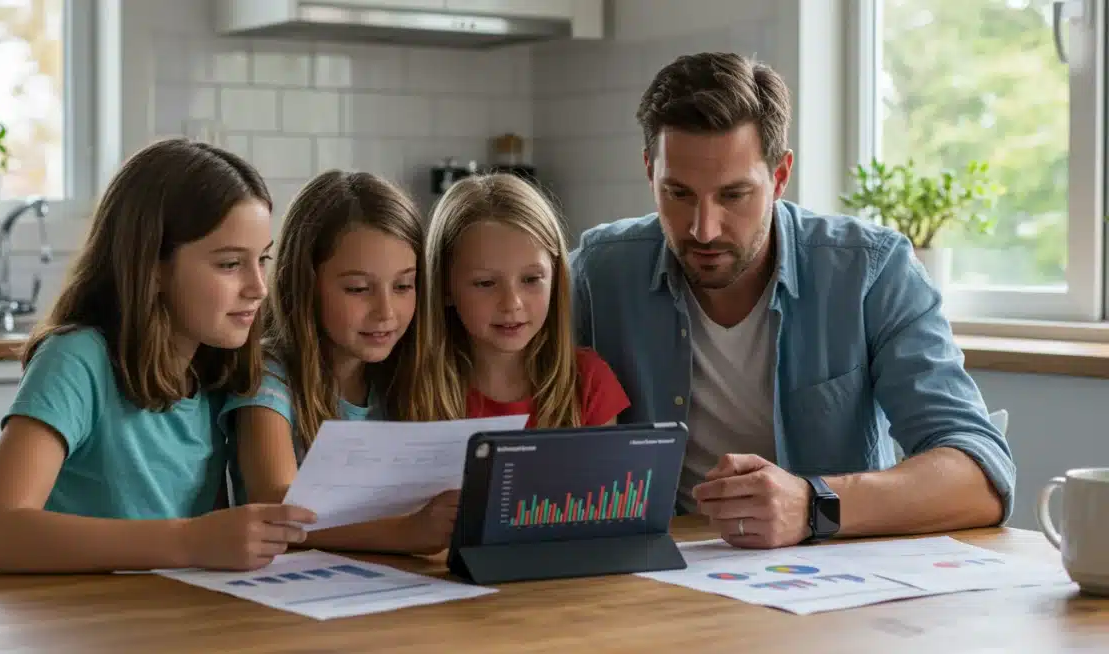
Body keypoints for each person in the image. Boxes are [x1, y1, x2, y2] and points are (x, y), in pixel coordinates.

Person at [568, 52, 1015, 549]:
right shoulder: (597, 274)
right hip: (657, 578)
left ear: (780, 177)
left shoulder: (871, 272)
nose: (704, 228)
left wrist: (813, 504)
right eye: (678, 193)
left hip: (827, 587)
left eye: (734, 195)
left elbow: (983, 476)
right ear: (650, 171)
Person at [0, 138, 317, 575]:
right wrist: (191, 540)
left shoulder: (213, 369)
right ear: (151, 266)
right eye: (229, 264)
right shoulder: (77, 360)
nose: (258, 287)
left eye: (262, 259)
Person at [219, 170, 455, 556]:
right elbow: (276, 504)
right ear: (304, 283)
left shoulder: (410, 376)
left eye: (403, 286)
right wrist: (403, 533)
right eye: (358, 289)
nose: (386, 312)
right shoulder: (268, 376)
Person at [408, 173, 630, 428]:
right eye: (485, 283)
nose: (512, 303)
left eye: (531, 279)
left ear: (556, 279)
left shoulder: (588, 382)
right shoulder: (416, 386)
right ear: (444, 287)